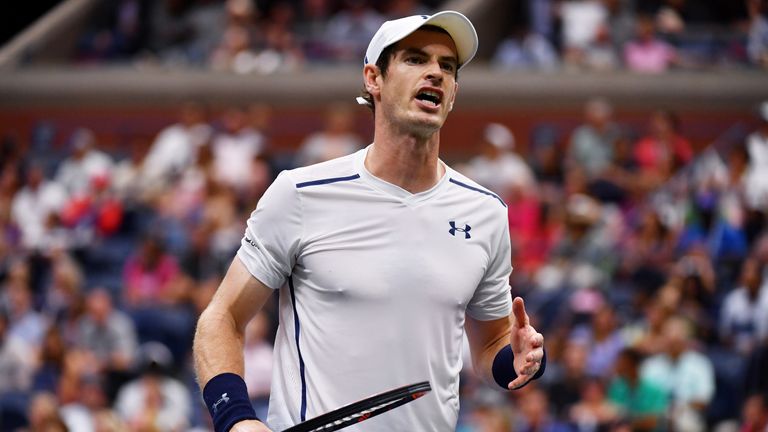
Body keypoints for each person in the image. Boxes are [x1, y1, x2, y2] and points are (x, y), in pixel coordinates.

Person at [193, 10, 546, 432]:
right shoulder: (300, 194)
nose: (435, 73)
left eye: (447, 67)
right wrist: (235, 419)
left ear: (453, 93)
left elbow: (490, 345)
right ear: (373, 78)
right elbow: (222, 318)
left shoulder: (486, 212)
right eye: (416, 59)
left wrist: (517, 359)